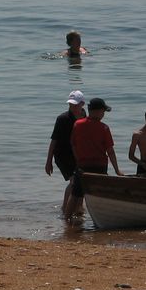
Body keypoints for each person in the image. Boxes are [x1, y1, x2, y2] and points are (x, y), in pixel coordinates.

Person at [69, 98, 124, 212]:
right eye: (103, 111)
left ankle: (67, 219)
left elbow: (73, 144)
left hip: (82, 165)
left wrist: (78, 160)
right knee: (100, 194)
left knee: (75, 194)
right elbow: (110, 151)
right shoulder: (104, 128)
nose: (103, 114)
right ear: (97, 111)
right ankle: (100, 214)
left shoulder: (78, 124)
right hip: (99, 166)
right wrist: (117, 170)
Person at [45, 90, 88, 219]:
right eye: (70, 104)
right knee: (74, 181)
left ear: (82, 104)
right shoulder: (62, 119)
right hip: (62, 155)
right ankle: (65, 209)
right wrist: (48, 161)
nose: (72, 107)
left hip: (77, 154)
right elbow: (54, 140)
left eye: (75, 104)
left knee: (82, 181)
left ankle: (79, 209)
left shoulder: (84, 116)